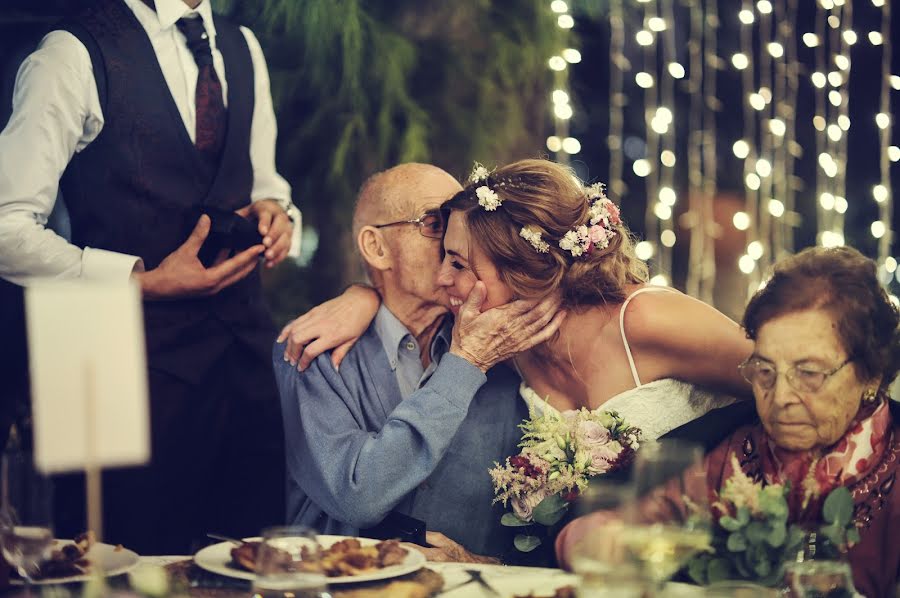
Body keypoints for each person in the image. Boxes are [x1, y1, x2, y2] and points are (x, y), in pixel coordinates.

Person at [0, 0, 298, 554]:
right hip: (123, 366)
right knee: (132, 564)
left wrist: (278, 214)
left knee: (255, 562)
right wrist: (134, 278)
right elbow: (6, 225)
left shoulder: (242, 46)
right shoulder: (72, 52)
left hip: (245, 362)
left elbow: (264, 183)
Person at [281, 159, 753, 443]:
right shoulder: (506, 349)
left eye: (460, 264)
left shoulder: (646, 319)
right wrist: (364, 295)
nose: (444, 276)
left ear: (524, 271)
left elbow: (786, 381)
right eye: (441, 251)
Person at [556, 246, 900, 598]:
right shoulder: (738, 452)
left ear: (871, 373)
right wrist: (594, 537)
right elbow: (633, 521)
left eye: (809, 373)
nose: (780, 398)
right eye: (765, 371)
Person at [273, 163, 564, 561]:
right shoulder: (311, 348)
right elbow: (356, 495)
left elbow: (551, 526)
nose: (456, 237)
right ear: (376, 248)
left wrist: (483, 563)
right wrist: (465, 365)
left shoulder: (509, 344)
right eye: (434, 223)